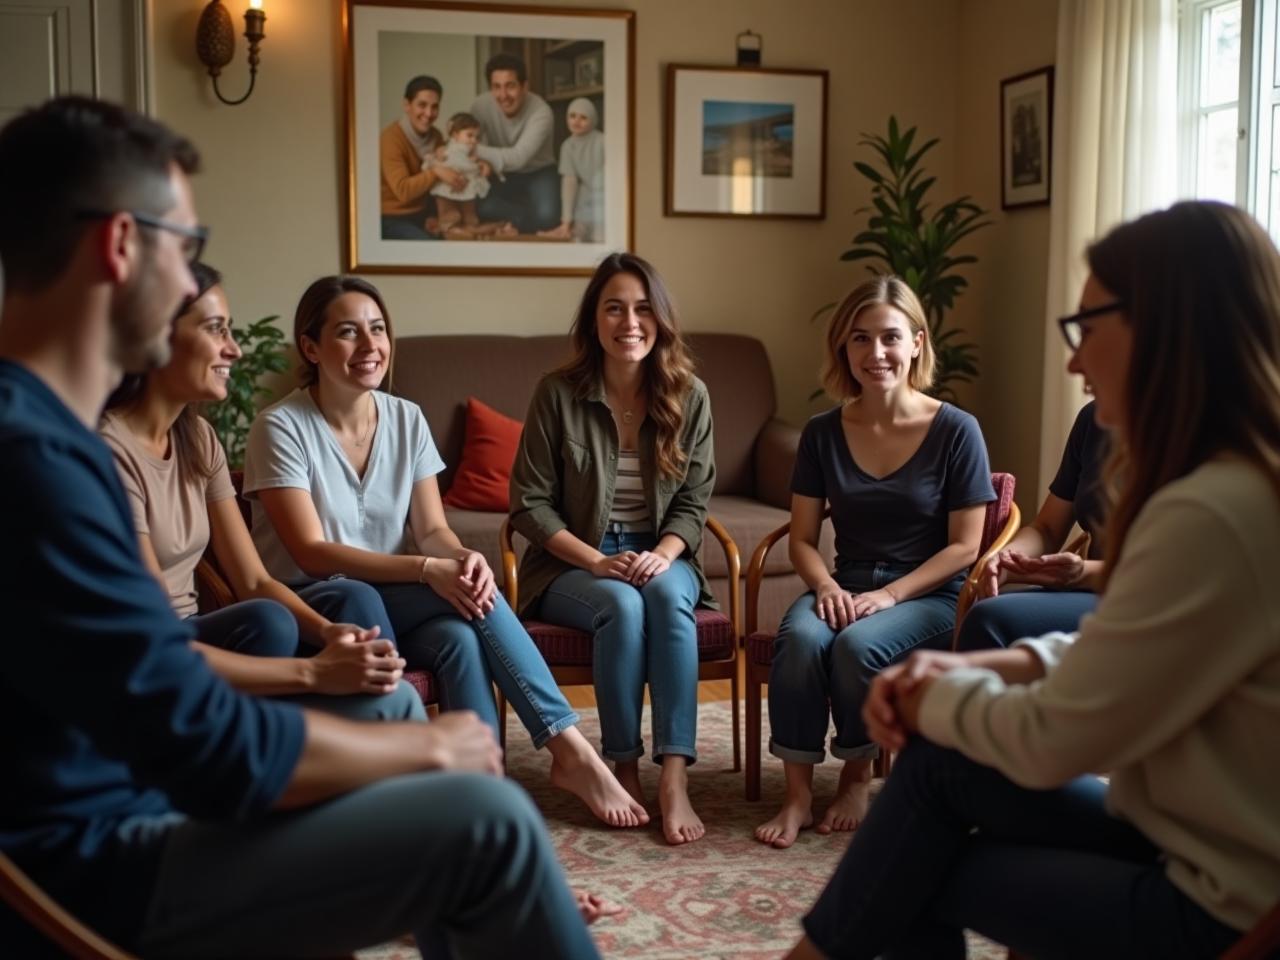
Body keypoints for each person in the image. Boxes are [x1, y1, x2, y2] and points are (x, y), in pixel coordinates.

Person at [0, 95, 598, 959]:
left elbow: (158, 686)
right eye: (189, 250)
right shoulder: (40, 462)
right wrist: (423, 750)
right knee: (488, 820)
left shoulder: (44, 437)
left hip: (115, 809)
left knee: (422, 775)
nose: (193, 290)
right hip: (98, 864)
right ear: (121, 245)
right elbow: (206, 743)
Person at [787, 200, 1280, 960]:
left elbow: (1057, 737)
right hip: (1180, 837)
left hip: (1219, 898)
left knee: (917, 858)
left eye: (1088, 328)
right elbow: (1128, 655)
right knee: (935, 776)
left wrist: (934, 693)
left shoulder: (1214, 513)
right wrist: (975, 664)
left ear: (1165, 327)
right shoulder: (1231, 487)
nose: (1075, 363)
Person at [243, 274, 648, 830]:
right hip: (318, 605)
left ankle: (482, 798)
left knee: (462, 627)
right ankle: (570, 750)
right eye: (347, 333)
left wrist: (460, 559)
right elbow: (313, 554)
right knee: (438, 597)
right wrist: (430, 569)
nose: (370, 346)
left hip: (397, 597)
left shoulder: (406, 418)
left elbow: (433, 530)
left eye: (378, 329)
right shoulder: (280, 426)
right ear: (311, 348)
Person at [100, 261, 422, 722]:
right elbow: (152, 630)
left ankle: (306, 735)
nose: (233, 349)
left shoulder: (199, 438)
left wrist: (330, 634)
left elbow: (252, 581)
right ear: (156, 337)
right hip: (149, 649)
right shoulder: (107, 451)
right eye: (216, 330)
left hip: (196, 632)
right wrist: (312, 673)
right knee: (272, 626)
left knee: (268, 617)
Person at [755, 276, 994, 850]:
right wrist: (825, 587)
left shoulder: (957, 430)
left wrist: (891, 596)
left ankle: (857, 776)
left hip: (930, 595)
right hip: (847, 582)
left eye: (890, 338)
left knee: (858, 646)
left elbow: (965, 546)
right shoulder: (821, 433)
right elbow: (804, 539)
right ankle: (795, 794)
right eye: (860, 339)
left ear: (916, 343)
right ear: (844, 347)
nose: (876, 353)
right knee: (801, 642)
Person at [509, 252, 717, 846]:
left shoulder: (690, 395)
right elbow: (529, 502)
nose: (630, 322)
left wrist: (667, 554)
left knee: (666, 601)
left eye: (644, 308)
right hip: (575, 562)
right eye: (615, 308)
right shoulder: (557, 393)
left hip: (661, 554)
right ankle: (621, 763)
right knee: (620, 606)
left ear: (662, 319)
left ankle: (673, 775)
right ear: (594, 321)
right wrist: (596, 560)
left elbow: (695, 500)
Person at [954, 400, 1108, 651]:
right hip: (1089, 589)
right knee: (983, 610)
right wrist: (1006, 558)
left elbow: (1173, 572)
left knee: (990, 620)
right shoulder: (1093, 418)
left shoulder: (1187, 430)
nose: (1073, 366)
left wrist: (1081, 574)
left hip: (1148, 597)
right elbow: (1046, 528)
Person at [471, 53, 560, 234]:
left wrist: (473, 149)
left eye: (510, 86)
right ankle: (522, 217)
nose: (503, 95)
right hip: (501, 172)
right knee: (477, 206)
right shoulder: (480, 106)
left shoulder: (542, 111)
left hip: (539, 170)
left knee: (548, 217)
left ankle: (512, 220)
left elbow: (518, 158)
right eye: (496, 87)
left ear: (524, 86)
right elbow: (471, 143)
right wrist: (480, 160)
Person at [379, 74, 468, 240]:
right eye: (422, 105)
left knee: (460, 242)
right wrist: (436, 172)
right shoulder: (390, 139)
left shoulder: (436, 136)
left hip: (423, 214)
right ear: (406, 105)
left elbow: (441, 183)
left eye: (435, 107)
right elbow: (403, 191)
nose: (429, 113)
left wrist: (433, 215)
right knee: (431, 251)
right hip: (392, 217)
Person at [428, 112, 514, 240]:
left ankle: (469, 225)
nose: (474, 140)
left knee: (471, 217)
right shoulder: (447, 149)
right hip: (448, 188)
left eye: (476, 137)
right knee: (451, 215)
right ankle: (447, 225)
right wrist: (437, 159)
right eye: (469, 135)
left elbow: (478, 161)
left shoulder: (472, 150)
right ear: (455, 135)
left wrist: (483, 165)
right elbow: (435, 162)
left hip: (466, 188)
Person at [538, 97, 605, 243]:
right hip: (584, 201)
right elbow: (569, 182)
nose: (576, 121)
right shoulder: (567, 146)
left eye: (583, 117)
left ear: (593, 119)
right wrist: (566, 220)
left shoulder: (602, 141)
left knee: (600, 238)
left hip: (604, 198)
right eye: (572, 116)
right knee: (578, 237)